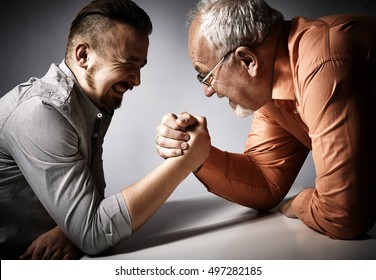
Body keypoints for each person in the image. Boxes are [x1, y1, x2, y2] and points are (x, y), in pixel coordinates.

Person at [0, 0, 210, 259]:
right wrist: (184, 162)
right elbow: (94, 234)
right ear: (83, 55)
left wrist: (70, 230)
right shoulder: (41, 112)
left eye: (140, 66)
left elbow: (92, 201)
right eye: (127, 63)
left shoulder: (91, 105)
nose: (137, 80)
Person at [156, 0, 376, 240]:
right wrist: (199, 155)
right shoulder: (272, 89)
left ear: (248, 60)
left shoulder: (324, 62)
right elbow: (265, 183)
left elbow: (343, 214)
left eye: (206, 76)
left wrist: (298, 202)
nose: (208, 91)